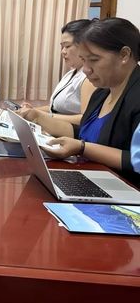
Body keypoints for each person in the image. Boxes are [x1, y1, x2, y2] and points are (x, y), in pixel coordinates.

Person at [29, 17, 140, 187]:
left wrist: (82, 148)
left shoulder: (136, 96)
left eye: (94, 60)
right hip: (90, 178)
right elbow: (84, 133)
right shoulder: (102, 93)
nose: (86, 70)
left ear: (124, 55)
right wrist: (37, 118)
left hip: (126, 189)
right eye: (84, 60)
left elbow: (135, 159)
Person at [19, 19, 95, 125]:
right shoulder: (70, 74)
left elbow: (85, 119)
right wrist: (33, 110)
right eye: (62, 47)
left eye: (67, 46)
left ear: (84, 46)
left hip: (68, 132)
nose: (63, 51)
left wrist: (41, 115)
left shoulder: (89, 78)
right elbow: (54, 108)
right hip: (55, 127)